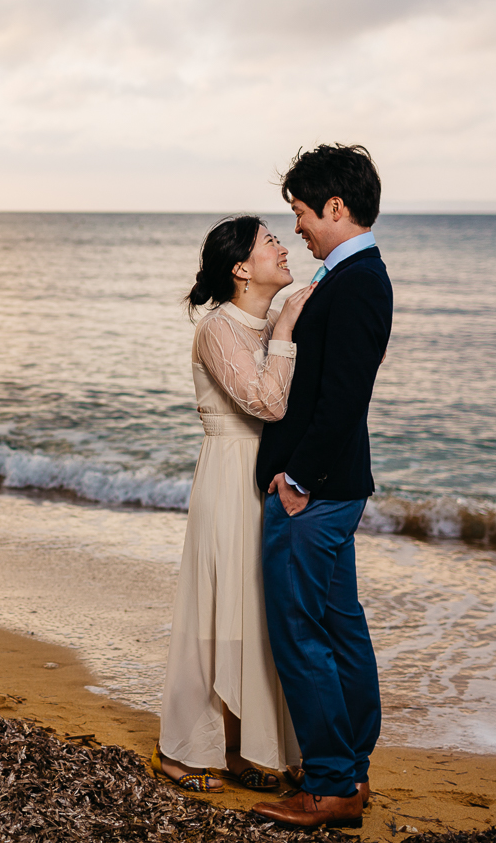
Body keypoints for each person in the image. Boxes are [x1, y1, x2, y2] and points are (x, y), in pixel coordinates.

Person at [251, 145, 392, 829]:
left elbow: (342, 399)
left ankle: (333, 783)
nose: (299, 227)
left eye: (303, 213)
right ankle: (351, 772)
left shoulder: (360, 280)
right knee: (340, 629)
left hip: (317, 492)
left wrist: (298, 479)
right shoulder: (350, 276)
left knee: (299, 632)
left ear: (336, 207)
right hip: (335, 487)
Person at [157, 215, 315, 793]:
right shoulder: (219, 329)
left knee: (255, 610)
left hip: (263, 477)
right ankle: (184, 750)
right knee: (215, 608)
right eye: (269, 241)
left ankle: (242, 747)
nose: (282, 246)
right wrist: (289, 326)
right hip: (228, 473)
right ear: (241, 269)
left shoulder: (267, 320)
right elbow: (267, 403)